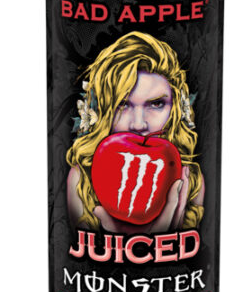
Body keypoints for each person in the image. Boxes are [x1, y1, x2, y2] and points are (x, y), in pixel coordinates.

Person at [66, 31, 204, 233]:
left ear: (175, 108)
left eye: (156, 104)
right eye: (122, 105)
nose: (138, 125)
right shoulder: (81, 180)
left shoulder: (191, 181)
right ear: (102, 109)